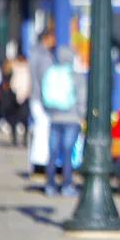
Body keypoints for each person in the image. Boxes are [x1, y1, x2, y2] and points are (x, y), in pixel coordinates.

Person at [42, 47, 87, 197]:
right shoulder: (76, 76)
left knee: (53, 152)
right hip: (72, 118)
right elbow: (82, 97)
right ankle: (67, 185)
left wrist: (50, 112)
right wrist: (82, 114)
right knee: (68, 153)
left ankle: (50, 185)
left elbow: (44, 95)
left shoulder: (51, 73)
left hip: (54, 117)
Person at [28, 31, 56, 165]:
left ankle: (36, 160)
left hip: (35, 96)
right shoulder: (44, 56)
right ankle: (40, 161)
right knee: (43, 128)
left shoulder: (33, 53)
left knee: (39, 127)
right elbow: (45, 79)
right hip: (42, 98)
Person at [6, 53, 32, 147]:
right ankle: (17, 138)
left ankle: (22, 139)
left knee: (22, 118)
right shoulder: (15, 66)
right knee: (17, 118)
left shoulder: (27, 67)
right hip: (16, 95)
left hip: (22, 94)